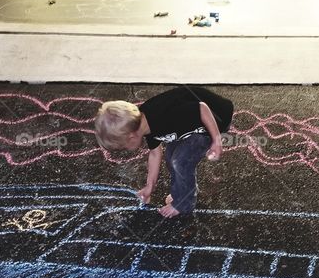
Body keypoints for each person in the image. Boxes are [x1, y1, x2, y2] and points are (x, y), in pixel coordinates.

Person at [94, 86, 234, 218]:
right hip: (191, 125)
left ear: (131, 137)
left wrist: (216, 140)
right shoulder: (144, 124)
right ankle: (183, 191)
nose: (125, 150)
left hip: (216, 119)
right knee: (170, 156)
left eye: (123, 147)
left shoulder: (161, 118)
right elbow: (155, 154)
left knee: (180, 161)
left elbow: (202, 108)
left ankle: (184, 204)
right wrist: (150, 186)